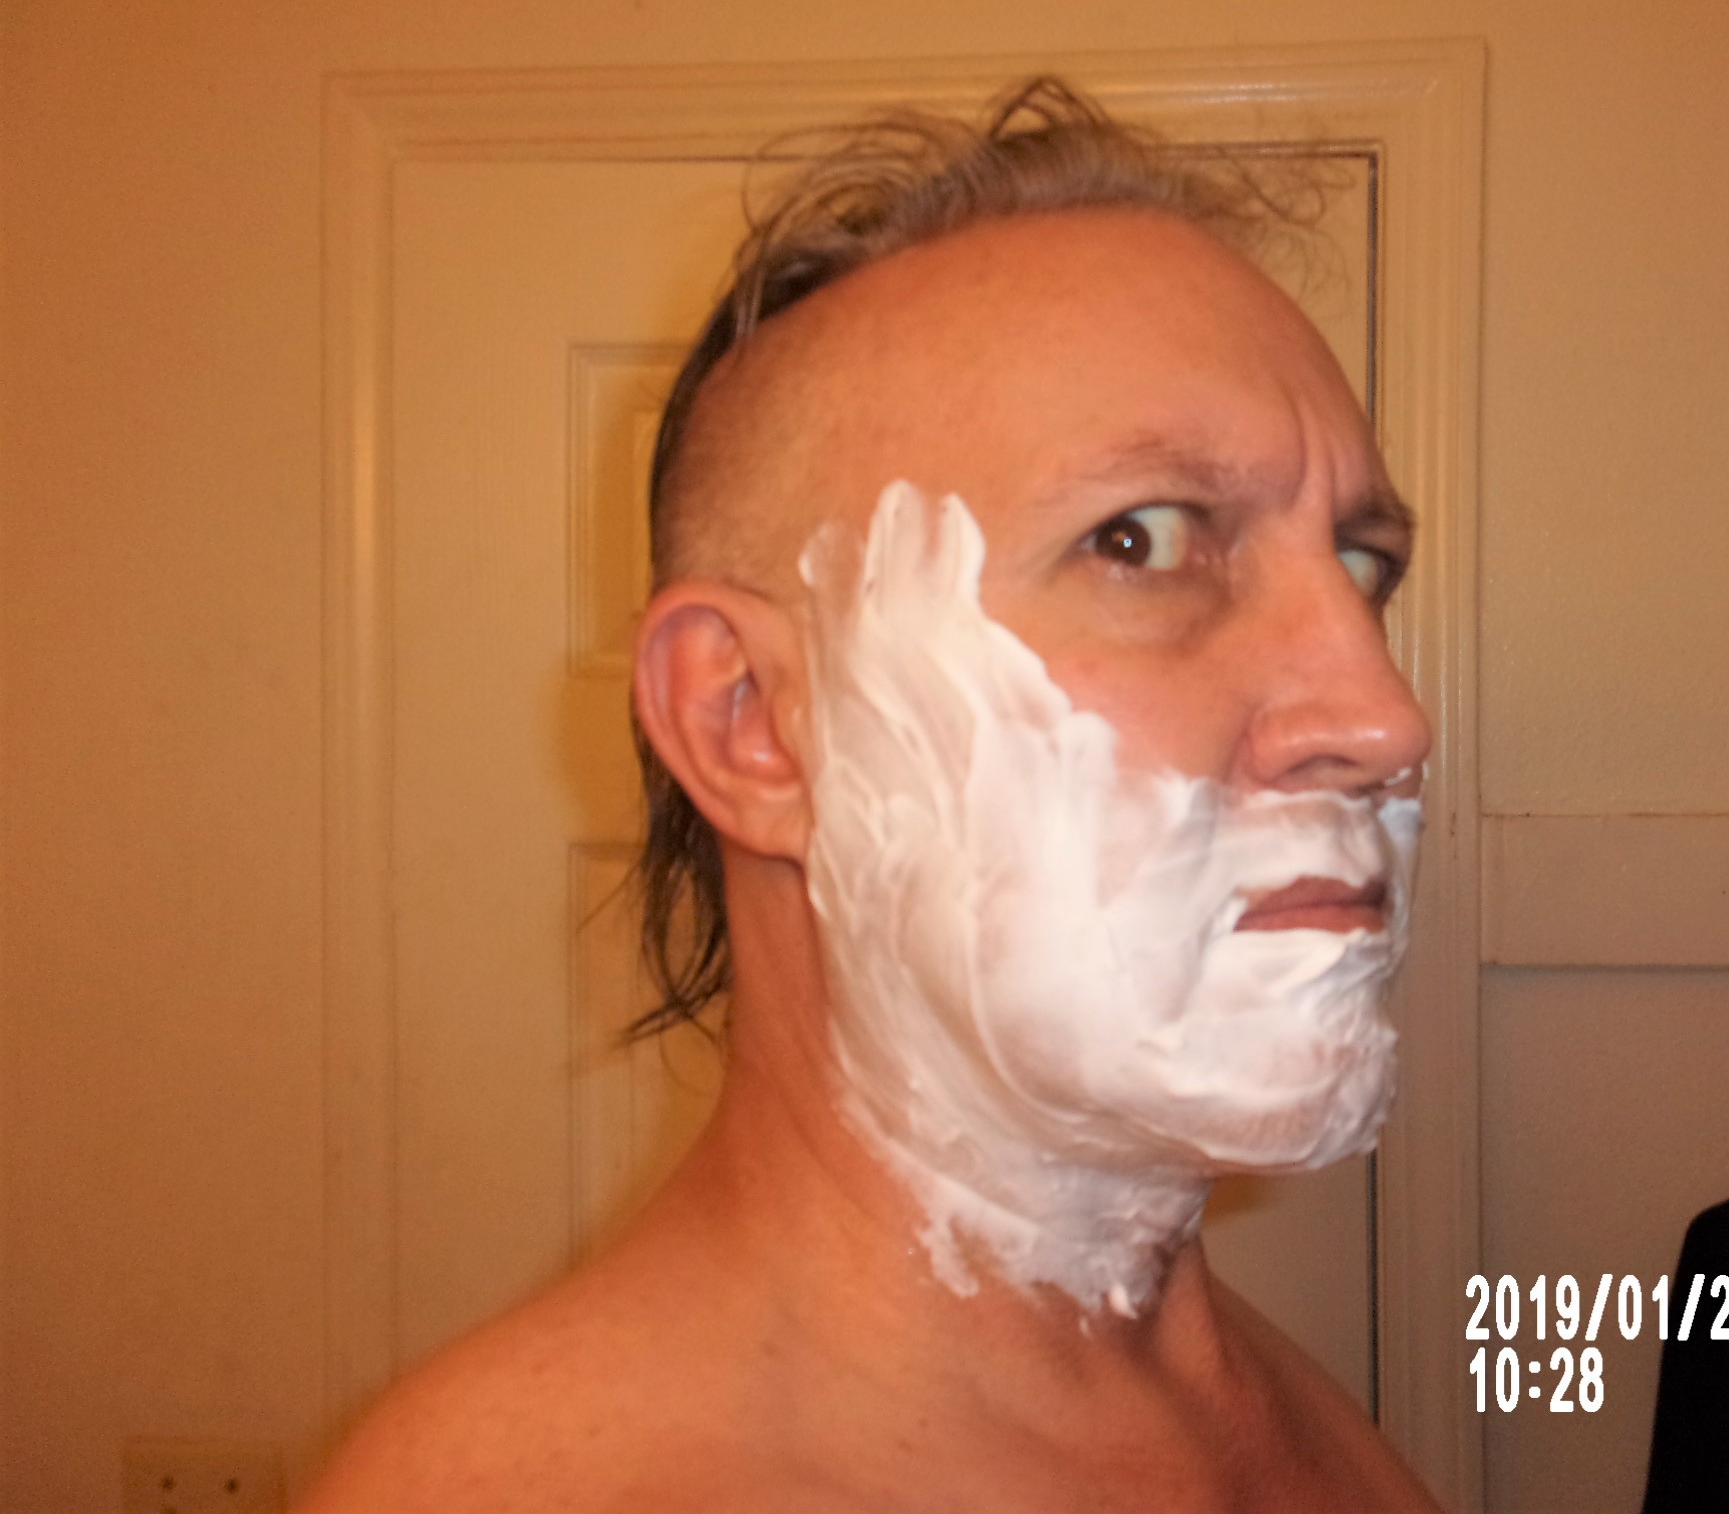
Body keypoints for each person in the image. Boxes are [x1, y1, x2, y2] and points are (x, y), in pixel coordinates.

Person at [301, 77, 1439, 1513]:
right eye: (1140, 540)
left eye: (1361, 562)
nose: (1384, 719)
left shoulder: (1303, 1428)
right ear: (753, 726)